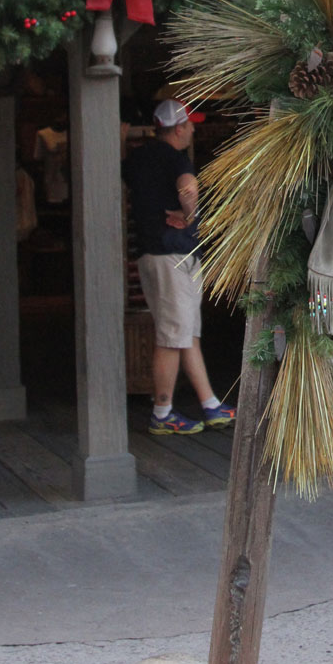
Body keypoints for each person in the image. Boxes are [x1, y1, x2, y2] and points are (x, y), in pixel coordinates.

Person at [122, 98, 235, 436]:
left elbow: (120, 170)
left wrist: (118, 136)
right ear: (179, 128)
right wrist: (189, 214)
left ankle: (211, 405)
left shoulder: (137, 158)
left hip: (151, 254)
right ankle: (162, 411)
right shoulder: (177, 159)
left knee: (185, 334)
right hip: (174, 255)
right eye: (190, 124)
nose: (194, 128)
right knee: (172, 337)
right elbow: (188, 187)